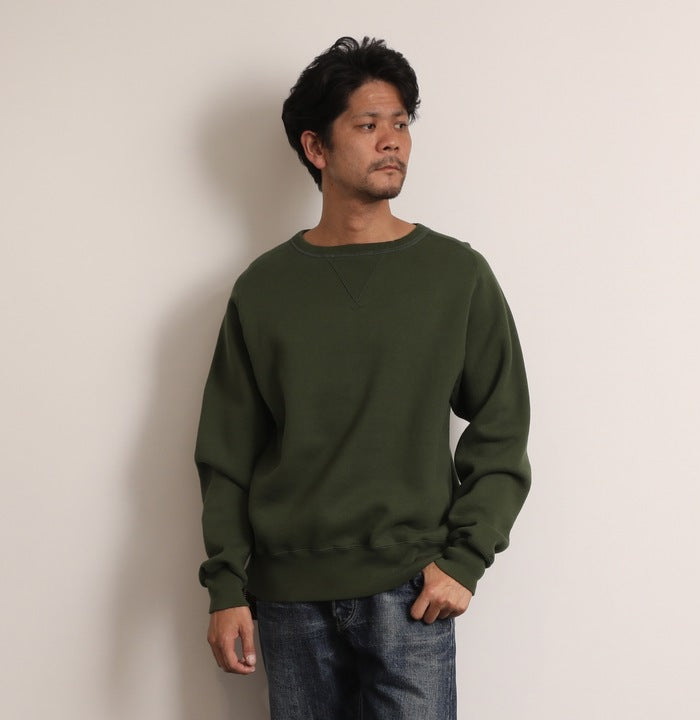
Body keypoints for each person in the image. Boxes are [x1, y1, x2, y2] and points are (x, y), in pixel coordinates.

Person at [195, 36, 531, 720]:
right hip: (290, 602)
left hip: (411, 595)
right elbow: (226, 453)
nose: (392, 141)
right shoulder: (264, 289)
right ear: (316, 148)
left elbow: (502, 425)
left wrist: (464, 559)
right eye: (368, 124)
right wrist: (226, 587)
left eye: (401, 123)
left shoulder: (456, 275)